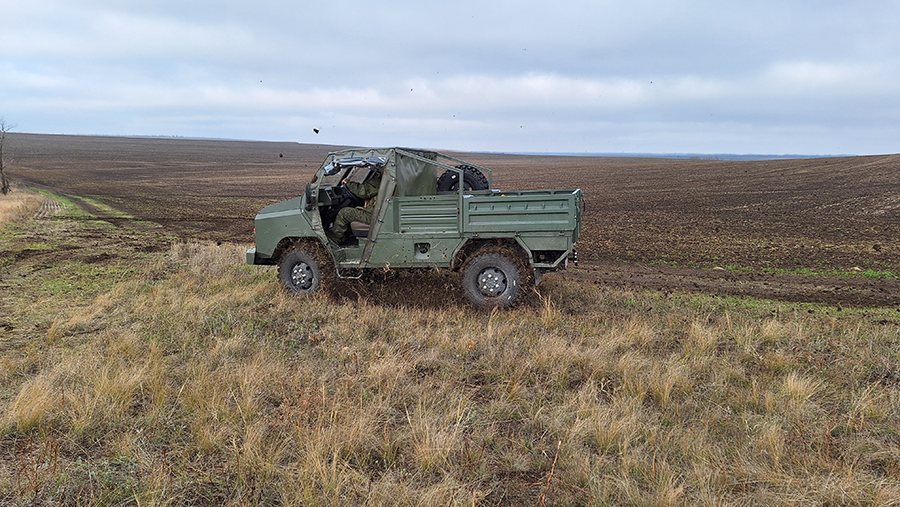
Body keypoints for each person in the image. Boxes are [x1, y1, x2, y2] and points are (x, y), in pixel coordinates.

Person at [328, 173, 381, 245]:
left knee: (345, 213)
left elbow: (363, 192)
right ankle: (347, 238)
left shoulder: (381, 181)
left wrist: (348, 184)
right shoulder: (387, 179)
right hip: (379, 214)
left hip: (375, 216)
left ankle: (334, 239)